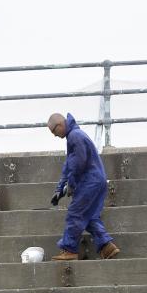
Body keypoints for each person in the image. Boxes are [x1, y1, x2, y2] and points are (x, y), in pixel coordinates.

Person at [47, 111, 119, 261]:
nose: (54, 135)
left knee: (75, 214)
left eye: (54, 131)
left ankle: (69, 249)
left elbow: (78, 163)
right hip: (97, 181)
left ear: (60, 125)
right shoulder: (74, 136)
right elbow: (68, 165)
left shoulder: (75, 136)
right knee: (90, 217)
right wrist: (59, 190)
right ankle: (107, 247)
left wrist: (71, 185)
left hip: (89, 182)